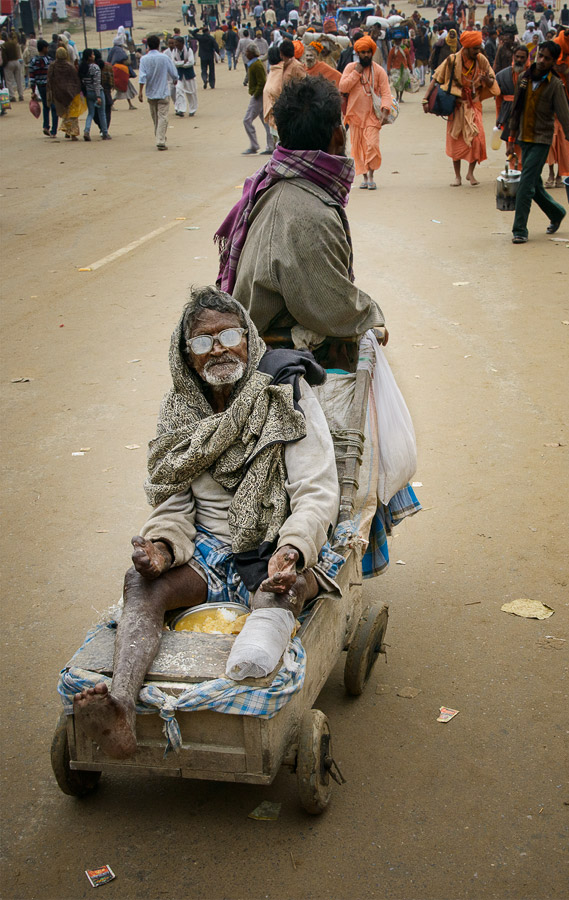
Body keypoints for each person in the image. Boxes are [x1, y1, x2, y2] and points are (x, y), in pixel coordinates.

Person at [72, 287, 342, 760]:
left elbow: (316, 491)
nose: (217, 349)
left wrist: (293, 550)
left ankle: (253, 666)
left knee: (281, 590)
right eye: (202, 342)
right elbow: (173, 503)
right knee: (141, 583)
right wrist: (161, 547)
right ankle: (120, 708)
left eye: (228, 335)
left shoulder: (285, 393)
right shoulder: (179, 412)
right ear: (187, 356)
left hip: (271, 541)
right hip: (208, 552)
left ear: (248, 339)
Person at [216, 75, 386, 362]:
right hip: (271, 364)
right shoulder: (308, 214)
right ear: (338, 135)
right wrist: (374, 317)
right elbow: (333, 308)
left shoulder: (276, 183)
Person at [508, 40, 569, 243]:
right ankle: (557, 213)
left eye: (546, 58)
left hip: (541, 140)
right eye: (540, 55)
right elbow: (515, 111)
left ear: (553, 61)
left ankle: (520, 230)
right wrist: (510, 139)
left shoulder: (555, 85)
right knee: (534, 185)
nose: (541, 60)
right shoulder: (524, 79)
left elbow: (566, 119)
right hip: (524, 138)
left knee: (525, 184)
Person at [423, 30, 499, 186]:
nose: (478, 51)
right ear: (466, 47)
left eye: (479, 48)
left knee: (477, 140)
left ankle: (470, 173)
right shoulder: (452, 60)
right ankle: (457, 176)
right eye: (475, 49)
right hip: (456, 106)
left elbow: (492, 81)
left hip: (474, 105)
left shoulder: (481, 60)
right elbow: (436, 78)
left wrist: (486, 80)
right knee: (455, 141)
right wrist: (425, 99)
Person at [339, 35, 393, 191]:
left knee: (372, 145)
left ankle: (371, 175)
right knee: (359, 148)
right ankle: (364, 177)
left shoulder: (379, 70)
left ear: (372, 52)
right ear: (358, 53)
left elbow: (386, 92)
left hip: (372, 116)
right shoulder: (351, 68)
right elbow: (343, 87)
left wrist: (385, 110)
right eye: (362, 52)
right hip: (355, 116)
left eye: (368, 52)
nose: (366, 55)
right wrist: (356, 72)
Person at [545, 28, 569, 188]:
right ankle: (551, 173)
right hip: (550, 112)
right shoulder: (548, 64)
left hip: (567, 109)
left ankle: (560, 174)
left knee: (564, 144)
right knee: (550, 144)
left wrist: (566, 74)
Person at [138, 34, 179, 150]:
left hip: (151, 93)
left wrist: (140, 92)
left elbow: (142, 77)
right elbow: (174, 73)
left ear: (148, 45)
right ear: (158, 45)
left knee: (156, 117)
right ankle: (160, 139)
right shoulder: (164, 58)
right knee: (162, 117)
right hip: (163, 92)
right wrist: (175, 79)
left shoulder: (144, 59)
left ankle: (159, 138)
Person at [496, 43, 529, 167]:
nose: (519, 60)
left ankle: (523, 172)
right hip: (508, 114)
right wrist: (499, 118)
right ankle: (514, 172)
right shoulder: (502, 75)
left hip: (526, 114)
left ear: (527, 59)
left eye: (522, 57)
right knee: (510, 146)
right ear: (513, 57)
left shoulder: (532, 74)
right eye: (517, 57)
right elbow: (498, 99)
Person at [242, 41, 274, 154]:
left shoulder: (257, 65)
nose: (246, 53)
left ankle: (254, 145)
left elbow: (262, 82)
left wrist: (255, 94)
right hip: (260, 96)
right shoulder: (255, 64)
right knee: (266, 122)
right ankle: (270, 146)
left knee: (247, 120)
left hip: (258, 97)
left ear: (251, 53)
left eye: (247, 51)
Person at [47, 46, 84, 141]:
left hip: (58, 93)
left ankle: (68, 131)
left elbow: (49, 80)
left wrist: (50, 92)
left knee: (65, 112)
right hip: (71, 92)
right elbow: (76, 79)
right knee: (73, 113)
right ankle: (73, 133)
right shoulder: (70, 66)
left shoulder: (53, 66)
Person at [79, 48, 110, 141]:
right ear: (89, 57)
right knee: (102, 113)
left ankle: (86, 130)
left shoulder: (83, 67)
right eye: (92, 54)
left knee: (91, 113)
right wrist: (98, 96)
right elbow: (96, 83)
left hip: (88, 92)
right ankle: (105, 133)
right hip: (97, 92)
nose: (94, 56)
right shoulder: (95, 67)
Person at [29, 39, 58, 137]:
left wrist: (33, 91)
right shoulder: (49, 61)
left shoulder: (33, 61)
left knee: (46, 106)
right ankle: (53, 131)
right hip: (49, 87)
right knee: (54, 107)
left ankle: (46, 126)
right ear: (44, 48)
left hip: (40, 87)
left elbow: (32, 77)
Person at [108, 31, 137, 109]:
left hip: (120, 72)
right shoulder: (119, 50)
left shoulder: (113, 50)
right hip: (121, 72)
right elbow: (123, 58)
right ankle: (111, 104)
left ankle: (130, 105)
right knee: (123, 89)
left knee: (126, 87)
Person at [173, 35, 198, 116]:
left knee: (191, 93)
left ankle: (192, 109)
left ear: (182, 43)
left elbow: (191, 62)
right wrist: (183, 62)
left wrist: (179, 63)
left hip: (189, 75)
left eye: (176, 43)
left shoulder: (188, 50)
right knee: (178, 90)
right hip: (179, 75)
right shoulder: (174, 51)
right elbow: (173, 63)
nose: (175, 45)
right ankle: (181, 109)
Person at [1, 31, 24, 101]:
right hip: (17, 62)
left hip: (9, 63)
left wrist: (3, 65)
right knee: (18, 80)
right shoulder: (14, 44)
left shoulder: (3, 46)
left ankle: (12, 96)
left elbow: (4, 57)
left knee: (9, 81)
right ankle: (21, 95)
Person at [387, 36, 411, 102]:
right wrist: (388, 69)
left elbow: (408, 59)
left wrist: (410, 68)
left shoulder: (405, 49)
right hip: (395, 68)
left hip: (404, 68)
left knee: (403, 83)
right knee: (396, 82)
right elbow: (389, 60)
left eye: (398, 40)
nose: (397, 42)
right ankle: (397, 95)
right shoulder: (393, 50)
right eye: (396, 41)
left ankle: (400, 97)